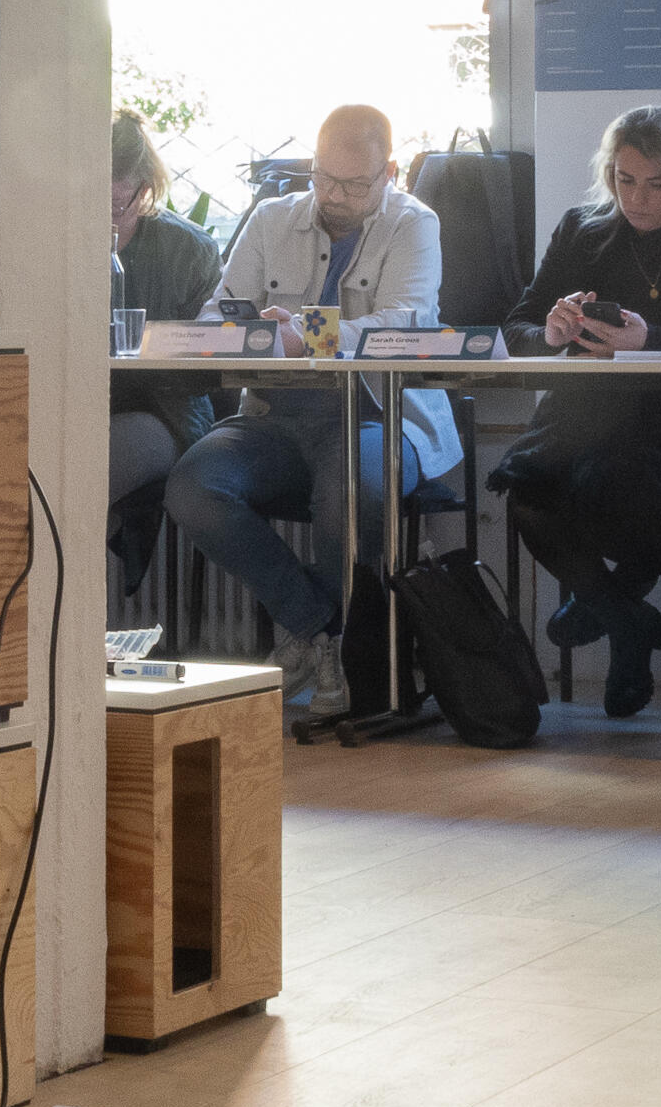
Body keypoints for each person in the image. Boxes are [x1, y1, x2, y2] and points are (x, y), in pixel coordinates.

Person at [157, 105, 454, 691]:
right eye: (323, 178)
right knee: (192, 487)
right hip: (272, 415)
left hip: (375, 414)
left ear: (389, 171)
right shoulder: (271, 219)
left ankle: (336, 655)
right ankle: (318, 627)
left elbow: (406, 322)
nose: (334, 195)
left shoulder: (415, 224)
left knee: (353, 488)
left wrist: (306, 336)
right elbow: (217, 312)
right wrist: (254, 333)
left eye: (353, 183)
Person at [492, 105, 661, 719]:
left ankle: (611, 615)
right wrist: (554, 332)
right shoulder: (584, 227)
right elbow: (519, 324)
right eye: (624, 180)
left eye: (657, 183)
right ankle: (625, 622)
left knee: (628, 484)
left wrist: (653, 339)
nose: (636, 199)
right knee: (528, 496)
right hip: (585, 413)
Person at [103, 116, 221, 610]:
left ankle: (76, 641)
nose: (99, 217)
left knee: (75, 472)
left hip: (166, 410)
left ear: (144, 191)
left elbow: (212, 361)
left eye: (113, 204)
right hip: (80, 406)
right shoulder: (54, 243)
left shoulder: (186, 248)